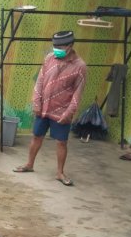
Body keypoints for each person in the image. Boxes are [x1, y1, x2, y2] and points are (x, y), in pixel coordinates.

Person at [13, 31, 86, 186]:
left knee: (61, 142)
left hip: (62, 111)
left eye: (61, 46)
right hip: (43, 108)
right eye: (55, 46)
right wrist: (36, 102)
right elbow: (40, 81)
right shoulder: (49, 58)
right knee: (36, 136)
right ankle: (29, 165)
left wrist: (69, 113)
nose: (57, 49)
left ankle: (60, 173)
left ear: (70, 46)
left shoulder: (80, 66)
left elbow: (77, 94)